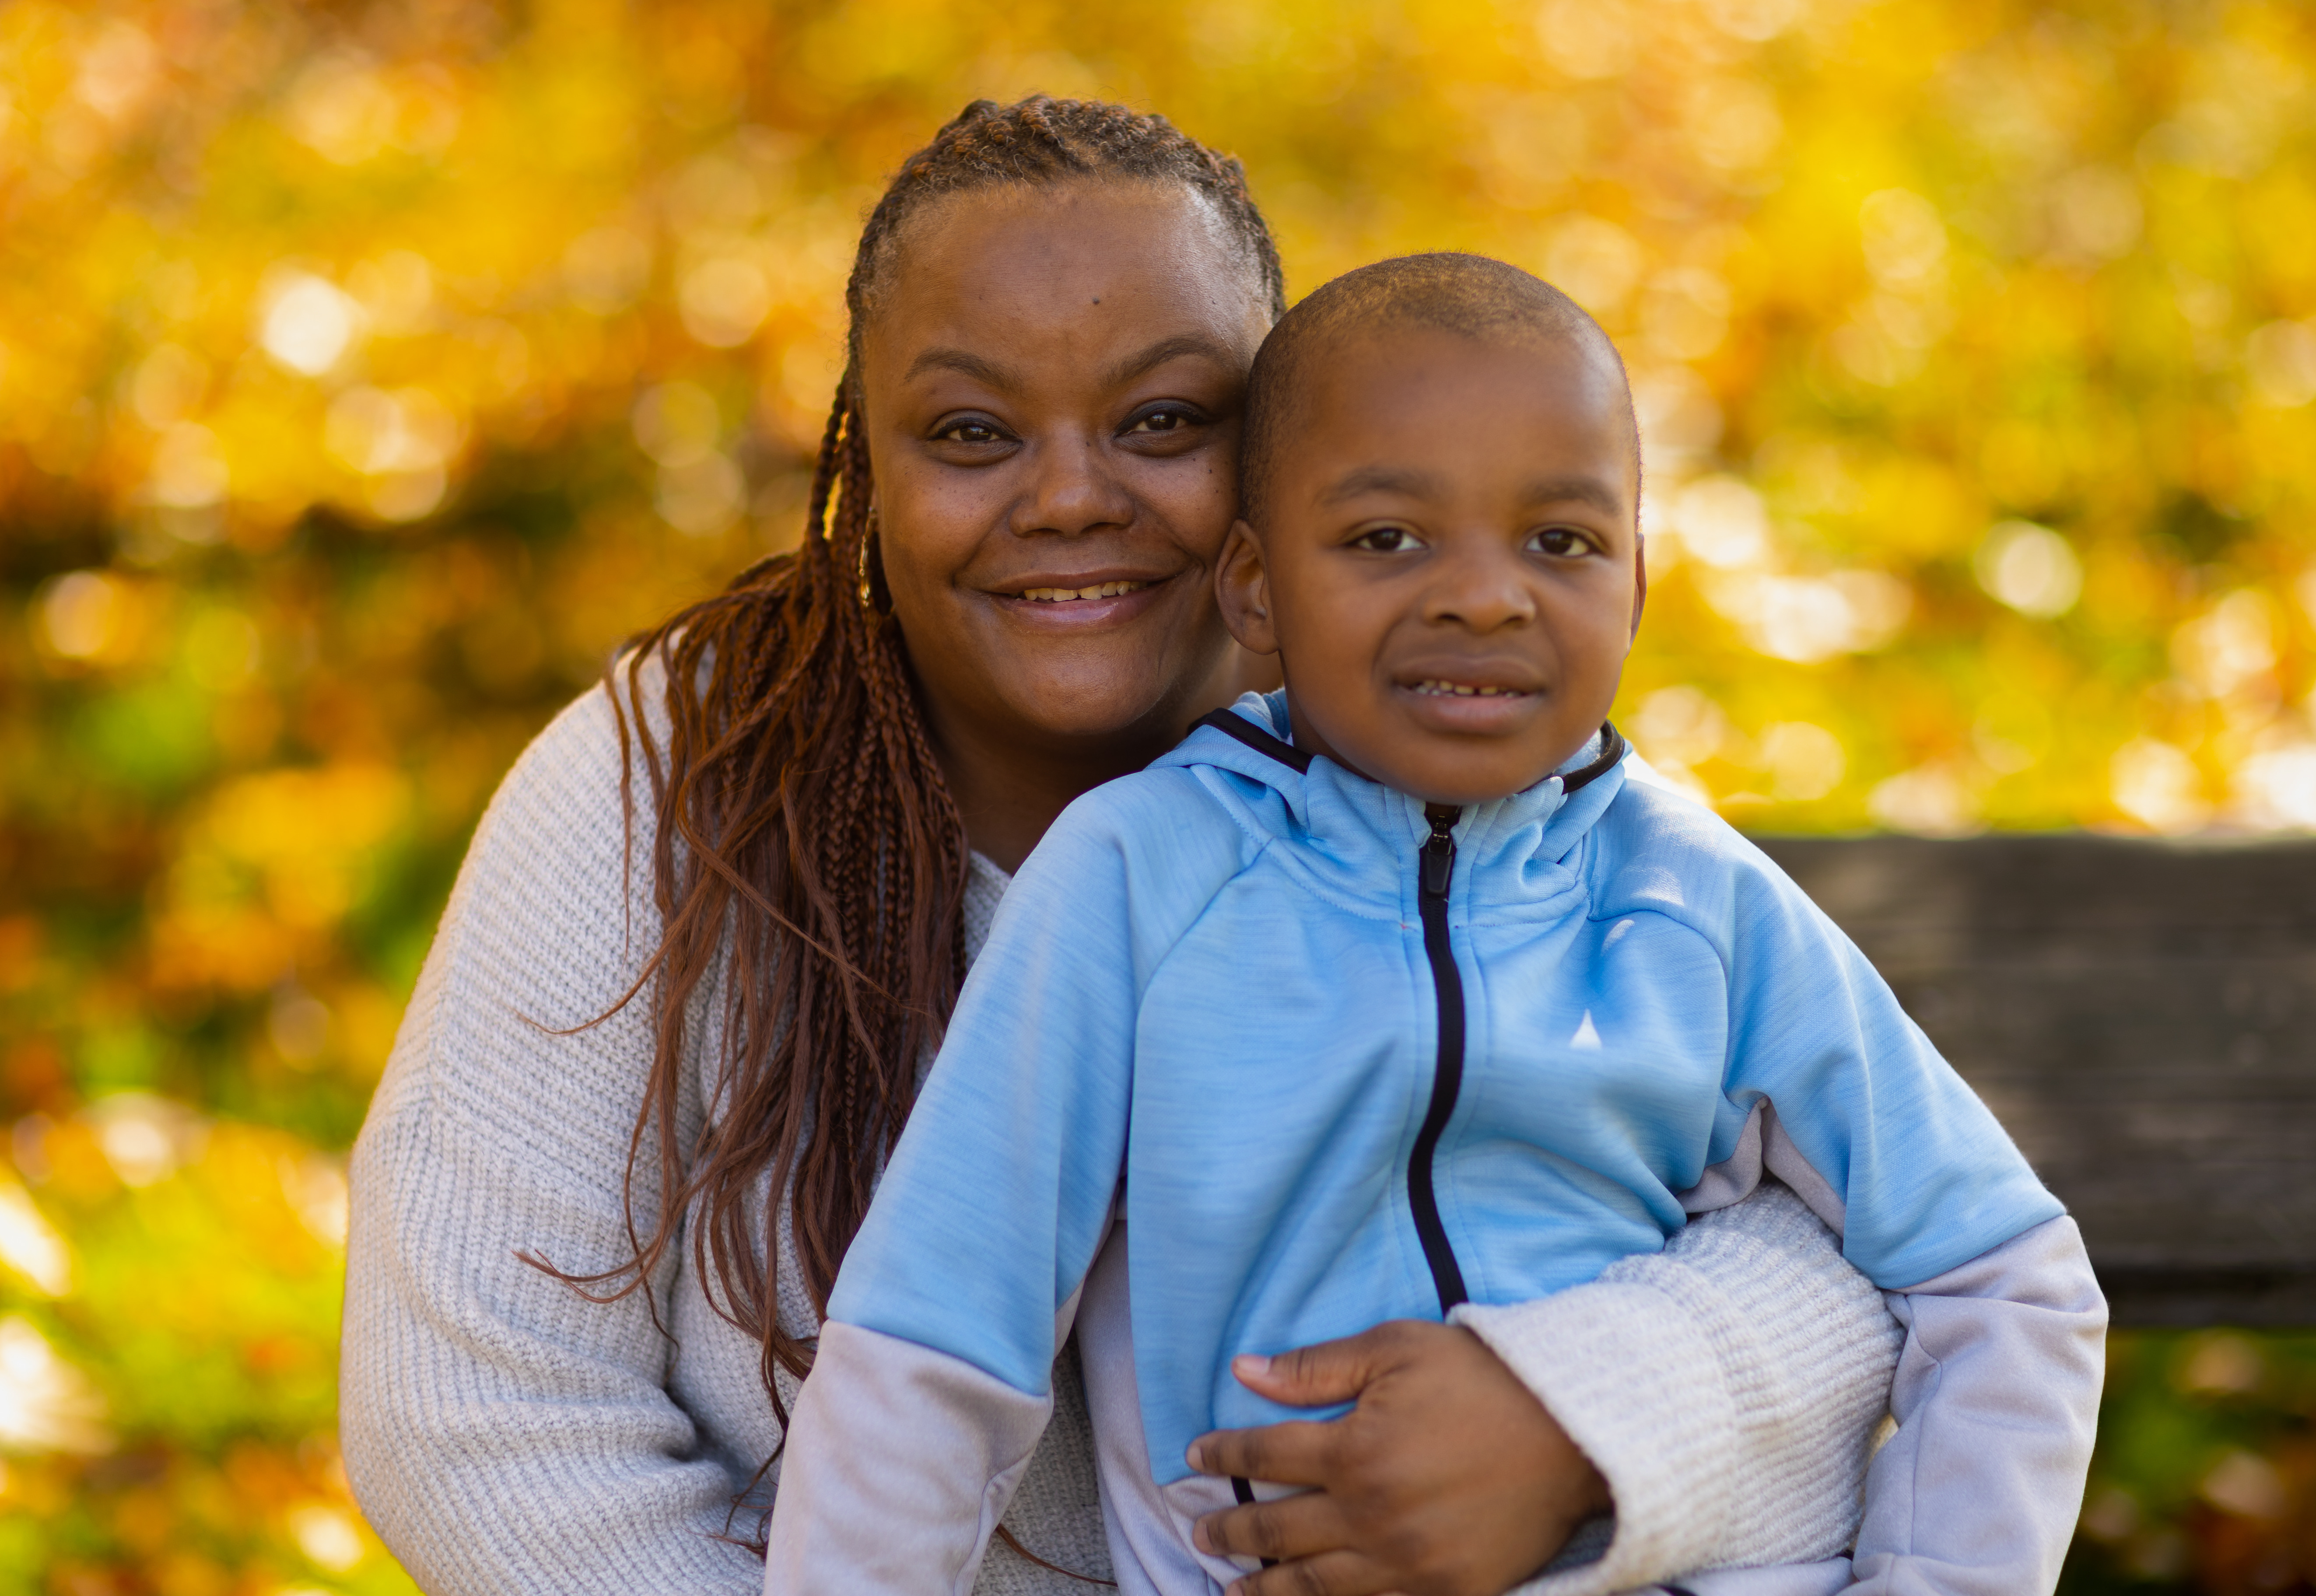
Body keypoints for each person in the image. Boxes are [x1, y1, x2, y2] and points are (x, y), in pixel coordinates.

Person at [336, 99, 2021, 1596]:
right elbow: (469, 1412)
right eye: (973, 433)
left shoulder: (1495, 781)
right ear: (865, 460)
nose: (1071, 496)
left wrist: (1586, 1418)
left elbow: (1893, 1256)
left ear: (1283, 460)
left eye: (1163, 422)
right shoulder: (671, 783)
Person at [764, 254, 2106, 1596]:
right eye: (1387, 539)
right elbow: (933, 1348)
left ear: (1634, 587)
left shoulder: (1694, 898)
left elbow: (2005, 1279)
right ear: (1253, 588)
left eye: (1560, 541)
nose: (1483, 596)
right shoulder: (1138, 878)